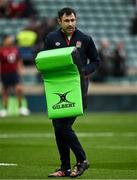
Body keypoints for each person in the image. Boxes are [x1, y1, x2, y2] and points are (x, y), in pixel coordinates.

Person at [44, 7, 100, 178]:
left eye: (73, 20)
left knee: (63, 126)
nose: (71, 24)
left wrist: (84, 71)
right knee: (57, 127)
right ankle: (65, 168)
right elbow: (43, 58)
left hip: (78, 88)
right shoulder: (51, 38)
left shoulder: (85, 39)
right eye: (67, 20)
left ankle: (82, 160)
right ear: (59, 21)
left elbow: (96, 61)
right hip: (57, 88)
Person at [0, 34, 30, 117]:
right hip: (4, 73)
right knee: (5, 91)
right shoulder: (1, 50)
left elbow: (19, 60)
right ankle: (4, 109)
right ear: (5, 40)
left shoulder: (15, 50)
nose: (10, 40)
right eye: (8, 39)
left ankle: (20, 108)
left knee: (19, 89)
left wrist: (21, 69)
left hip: (14, 73)